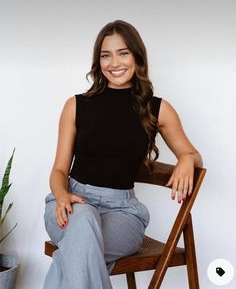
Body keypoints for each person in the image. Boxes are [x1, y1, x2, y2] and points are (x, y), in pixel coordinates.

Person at [43, 20, 203, 289]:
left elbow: (193, 155)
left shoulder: (157, 109)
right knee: (82, 222)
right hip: (71, 204)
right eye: (106, 55)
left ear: (137, 57)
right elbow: (59, 170)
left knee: (76, 251)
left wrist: (187, 159)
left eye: (123, 53)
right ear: (98, 61)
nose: (114, 62)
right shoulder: (75, 106)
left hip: (123, 214)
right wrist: (61, 196)